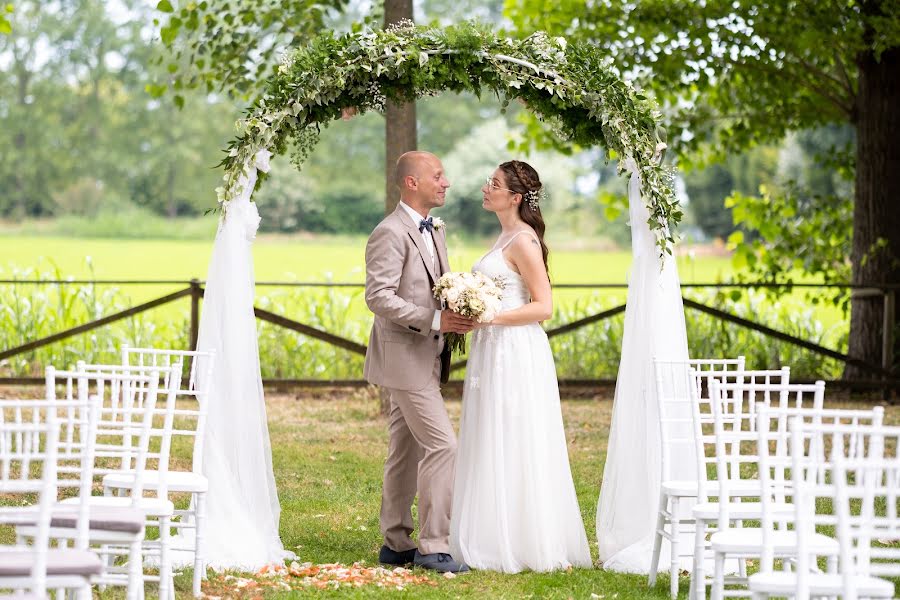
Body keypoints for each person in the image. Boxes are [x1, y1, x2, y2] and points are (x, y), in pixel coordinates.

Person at [450, 160, 592, 573]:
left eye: (492, 183)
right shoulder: (503, 236)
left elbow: (543, 306)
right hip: (492, 350)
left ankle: (524, 539)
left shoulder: (524, 242)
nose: (484, 187)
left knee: (514, 433)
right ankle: (490, 532)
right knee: (490, 431)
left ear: (514, 197)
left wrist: (488, 317)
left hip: (515, 350)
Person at [364, 151, 474, 574]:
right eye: (438, 175)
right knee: (443, 445)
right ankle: (432, 547)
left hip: (427, 356)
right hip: (403, 359)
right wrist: (434, 319)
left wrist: (461, 306)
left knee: (405, 450)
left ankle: (395, 543)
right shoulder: (389, 232)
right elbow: (378, 297)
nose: (446, 182)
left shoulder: (434, 229)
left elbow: (432, 287)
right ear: (412, 183)